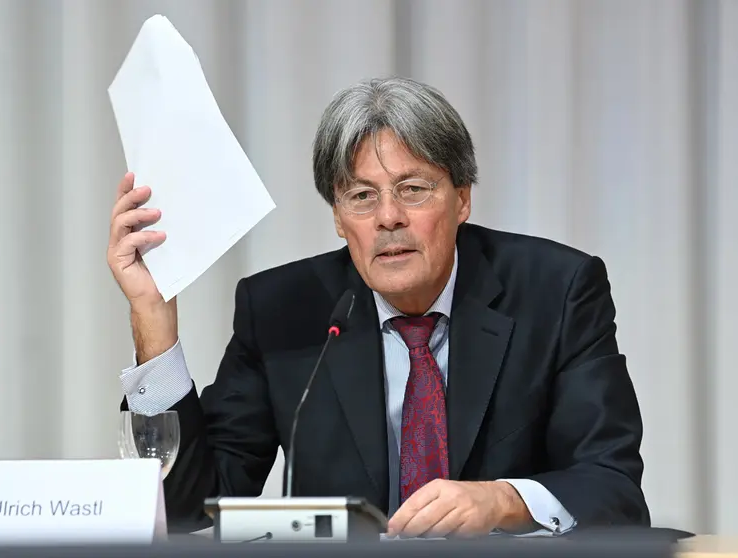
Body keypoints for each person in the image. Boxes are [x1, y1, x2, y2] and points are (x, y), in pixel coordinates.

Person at [107, 76, 649, 538]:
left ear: (462, 199)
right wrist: (153, 318)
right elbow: (187, 506)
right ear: (340, 219)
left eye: (413, 189)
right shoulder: (282, 309)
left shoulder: (555, 291)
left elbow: (612, 485)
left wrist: (504, 501)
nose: (388, 217)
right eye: (362, 196)